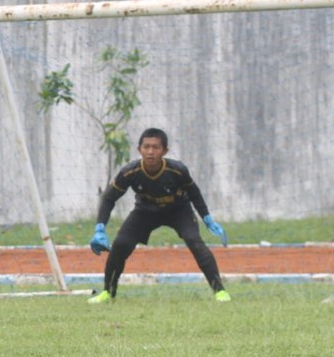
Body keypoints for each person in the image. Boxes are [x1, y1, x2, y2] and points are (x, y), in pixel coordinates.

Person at [88, 127, 230, 303]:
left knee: (195, 241)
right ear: (139, 149)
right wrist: (99, 228)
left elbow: (194, 193)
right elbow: (109, 198)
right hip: (145, 211)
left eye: (155, 147)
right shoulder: (129, 172)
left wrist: (207, 218)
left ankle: (220, 292)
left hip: (178, 210)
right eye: (146, 147)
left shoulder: (178, 170)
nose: (150, 152)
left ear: (165, 150)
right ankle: (108, 292)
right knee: (120, 244)